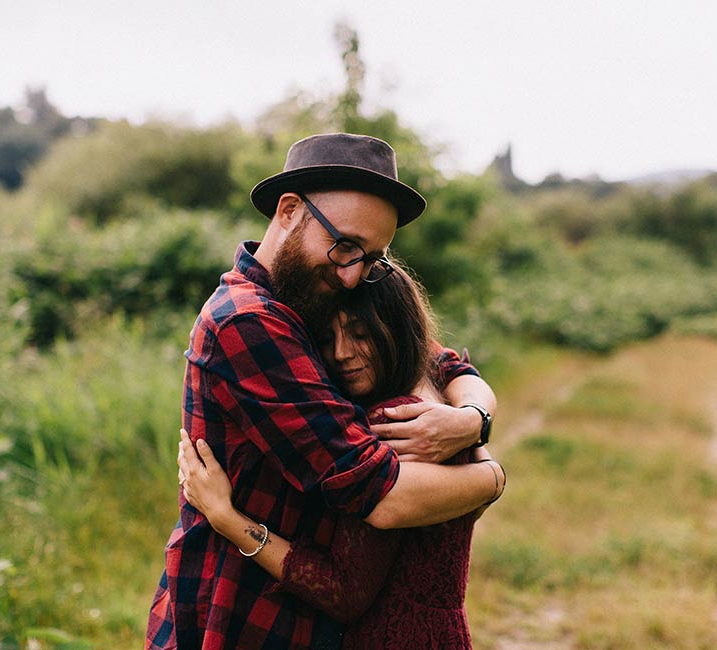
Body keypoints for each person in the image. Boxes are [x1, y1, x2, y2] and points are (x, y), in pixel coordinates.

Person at [145, 133, 501, 650]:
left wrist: (473, 419)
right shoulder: (248, 321)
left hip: (309, 616)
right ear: (289, 211)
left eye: (373, 258)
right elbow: (383, 496)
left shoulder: (309, 295)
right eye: (346, 245)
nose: (355, 274)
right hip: (247, 613)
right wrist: (493, 476)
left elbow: (440, 361)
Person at [177, 262, 504, 648]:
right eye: (327, 339)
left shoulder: (394, 424)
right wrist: (485, 451)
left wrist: (226, 518)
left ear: (399, 331)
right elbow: (449, 364)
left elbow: (342, 591)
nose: (342, 353)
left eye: (360, 334)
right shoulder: (440, 407)